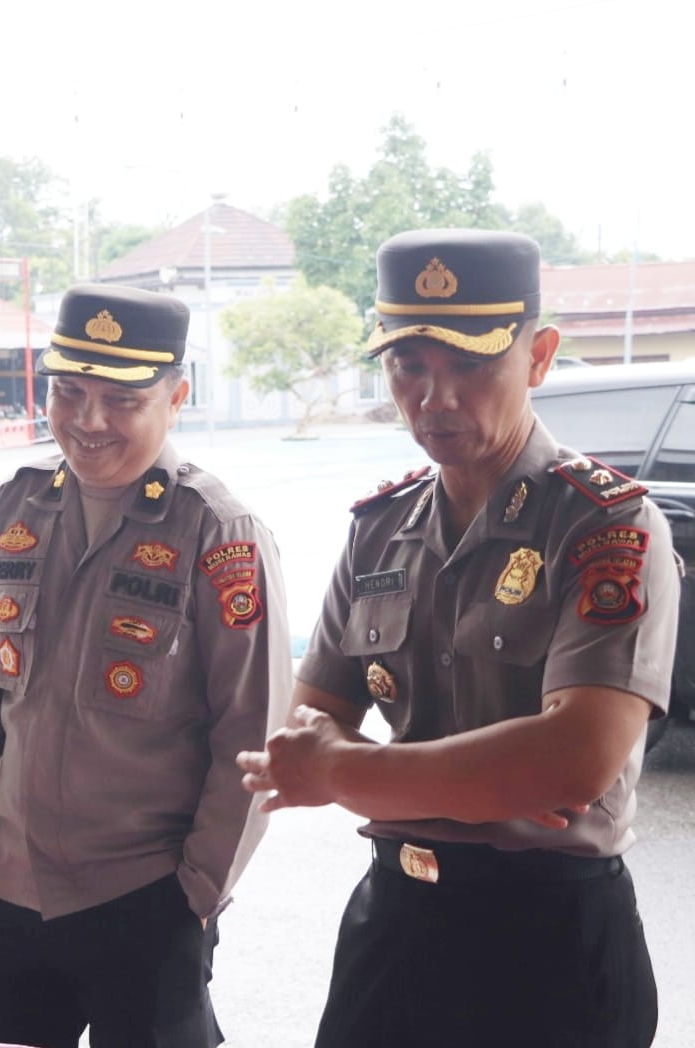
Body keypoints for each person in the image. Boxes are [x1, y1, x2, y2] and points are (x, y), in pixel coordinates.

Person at [236, 230, 676, 1048]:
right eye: (408, 365)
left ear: (538, 356)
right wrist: (491, 779)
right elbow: (304, 724)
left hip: (550, 941)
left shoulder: (606, 526)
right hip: (395, 922)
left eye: (471, 364)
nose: (434, 397)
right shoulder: (379, 530)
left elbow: (573, 761)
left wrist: (340, 771)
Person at [0, 283, 292, 1048]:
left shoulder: (219, 531)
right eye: (69, 391)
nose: (89, 421)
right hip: (13, 890)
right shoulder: (16, 506)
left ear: (177, 398)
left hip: (146, 896)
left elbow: (251, 736)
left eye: (123, 400)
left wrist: (196, 895)